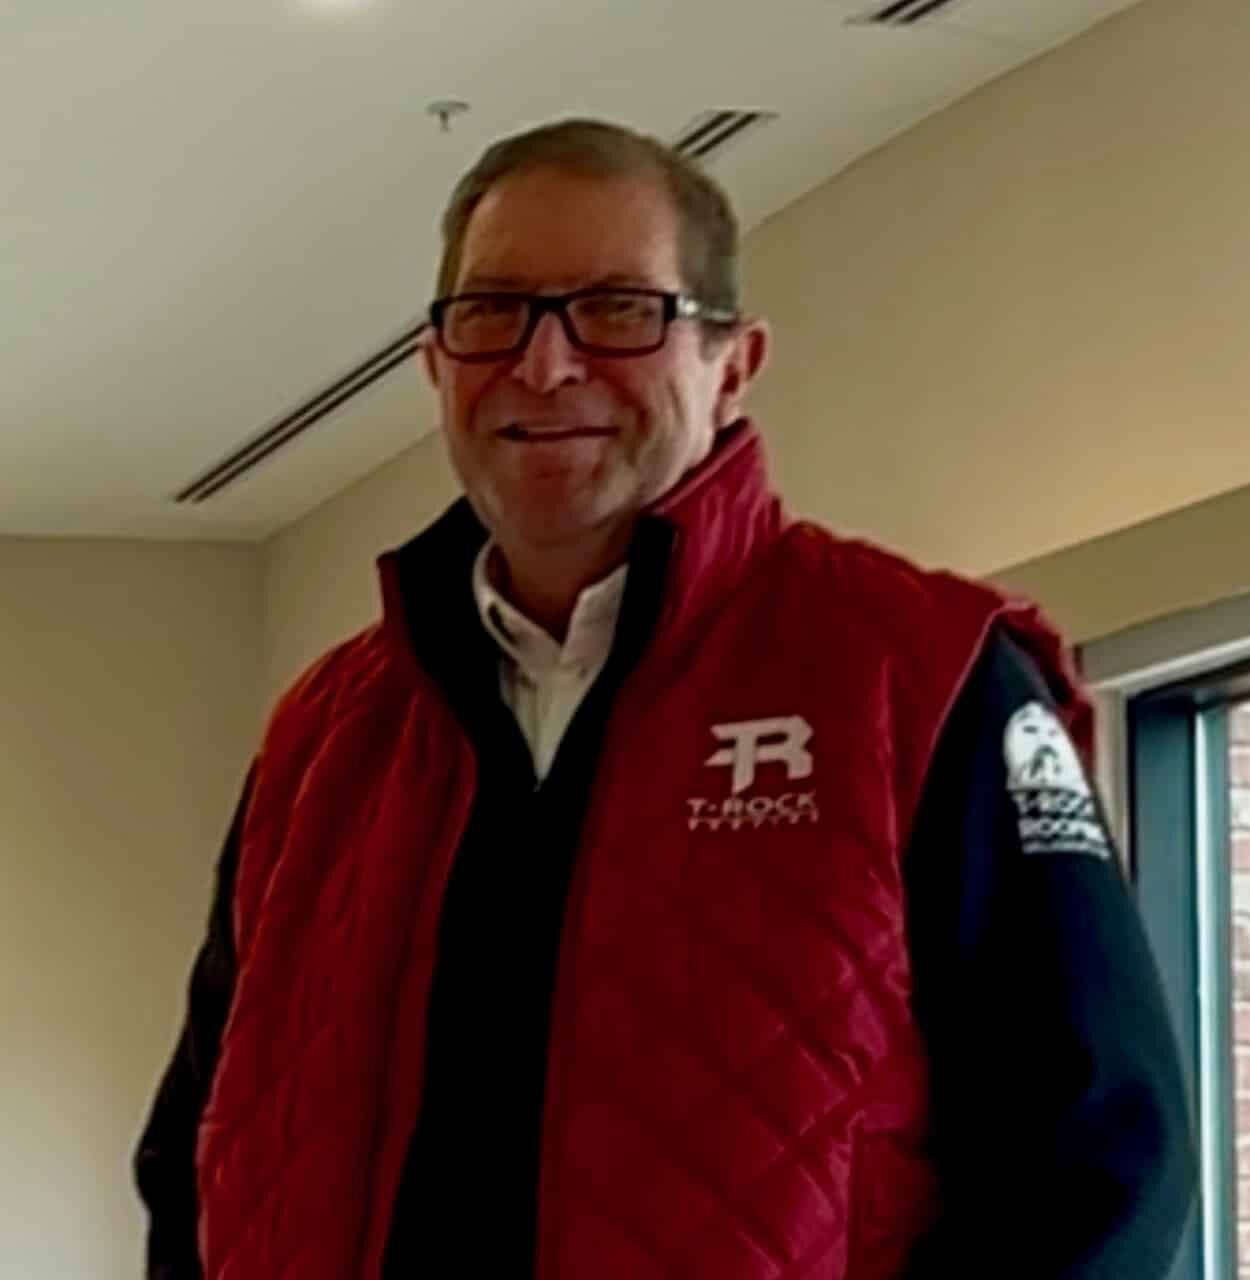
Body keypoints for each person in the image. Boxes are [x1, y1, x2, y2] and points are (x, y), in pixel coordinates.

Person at [135, 118, 1196, 1279]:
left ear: (730, 363)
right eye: (492, 313)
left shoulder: (923, 675)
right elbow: (197, 1159)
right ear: (436, 365)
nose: (544, 366)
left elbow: (1093, 1170)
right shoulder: (325, 737)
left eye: (617, 309)